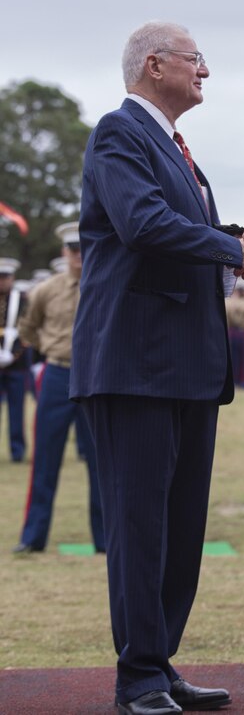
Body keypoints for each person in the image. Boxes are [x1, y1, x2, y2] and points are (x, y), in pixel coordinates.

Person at [70, 21, 244, 715]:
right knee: (140, 528)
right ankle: (137, 679)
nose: (206, 72)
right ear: (155, 65)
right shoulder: (119, 133)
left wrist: (237, 244)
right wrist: (231, 244)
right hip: (135, 366)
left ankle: (159, 666)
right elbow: (144, 224)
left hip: (186, 368)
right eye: (197, 61)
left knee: (181, 528)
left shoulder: (179, 153)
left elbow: (180, 236)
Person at [13, 223, 104, 553]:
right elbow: (28, 329)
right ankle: (33, 538)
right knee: (45, 460)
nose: (78, 255)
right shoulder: (45, 290)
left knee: (101, 461)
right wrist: (52, 349)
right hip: (57, 374)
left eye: (82, 248)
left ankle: (106, 540)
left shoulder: (103, 283)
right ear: (64, 253)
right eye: (72, 249)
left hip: (96, 377)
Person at [0, 257, 28, 461]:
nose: (2, 281)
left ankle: (17, 451)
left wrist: (14, 354)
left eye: (5, 277)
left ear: (12, 278)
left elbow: (26, 329)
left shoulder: (23, 300)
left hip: (16, 365)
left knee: (17, 410)